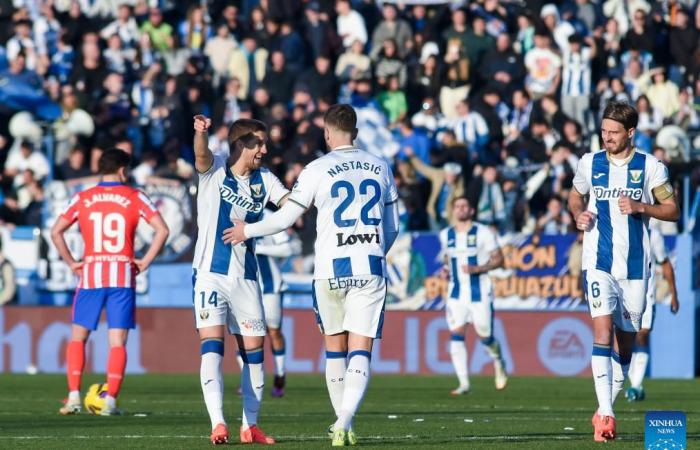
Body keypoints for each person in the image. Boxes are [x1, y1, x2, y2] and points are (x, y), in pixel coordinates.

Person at [223, 104, 399, 446]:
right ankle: (344, 422)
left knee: (335, 351)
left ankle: (341, 422)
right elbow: (392, 227)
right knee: (360, 351)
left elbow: (286, 218)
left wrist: (249, 230)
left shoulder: (318, 168)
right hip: (369, 266)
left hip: (329, 268)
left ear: (327, 133)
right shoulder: (381, 166)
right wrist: (374, 251)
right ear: (357, 133)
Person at [568, 101, 679, 442]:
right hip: (599, 264)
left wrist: (642, 206)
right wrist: (578, 215)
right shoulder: (590, 163)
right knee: (601, 333)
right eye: (603, 131)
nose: (607, 138)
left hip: (634, 268)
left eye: (613, 133)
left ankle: (604, 408)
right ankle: (608, 417)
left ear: (630, 133)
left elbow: (672, 210)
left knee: (626, 345)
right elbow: (575, 197)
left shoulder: (650, 167)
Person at [191, 115, 289, 445]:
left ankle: (251, 426)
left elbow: (291, 210)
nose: (265, 147)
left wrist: (253, 229)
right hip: (210, 274)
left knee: (255, 352)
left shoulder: (266, 180)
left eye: (265, 142)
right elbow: (201, 154)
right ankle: (218, 423)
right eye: (258, 142)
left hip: (246, 278)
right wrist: (200, 133)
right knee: (212, 348)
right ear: (241, 144)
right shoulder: (214, 168)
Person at [51, 148, 170, 416]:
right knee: (117, 342)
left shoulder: (83, 197)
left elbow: (56, 231)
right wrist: (145, 260)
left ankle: (72, 398)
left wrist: (71, 262)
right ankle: (110, 402)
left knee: (78, 337)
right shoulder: (134, 196)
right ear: (122, 170)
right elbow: (163, 229)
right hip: (122, 273)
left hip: (91, 273)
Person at [439, 196, 507, 395]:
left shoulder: (483, 232)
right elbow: (447, 256)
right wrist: (445, 269)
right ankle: (464, 384)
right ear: (453, 211)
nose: (460, 209)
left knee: (485, 337)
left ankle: (498, 361)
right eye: (457, 206)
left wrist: (478, 268)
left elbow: (499, 259)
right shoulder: (446, 234)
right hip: (456, 293)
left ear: (471, 211)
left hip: (480, 291)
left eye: (464, 206)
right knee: (456, 335)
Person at [626, 227, 679, 401]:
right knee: (626, 337)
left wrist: (674, 295)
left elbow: (665, 264)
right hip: (624, 290)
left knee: (642, 335)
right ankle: (633, 384)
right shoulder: (620, 225)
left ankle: (634, 386)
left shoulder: (654, 234)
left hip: (647, 293)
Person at [255, 221, 301, 397]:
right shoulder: (231, 213)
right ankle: (250, 378)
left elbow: (287, 249)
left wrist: (258, 248)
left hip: (269, 286)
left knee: (274, 331)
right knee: (243, 333)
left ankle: (280, 374)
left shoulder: (267, 216)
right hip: (242, 286)